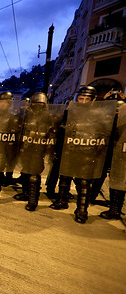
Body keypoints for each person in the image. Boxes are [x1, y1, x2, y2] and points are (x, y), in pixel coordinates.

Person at [50, 86, 117, 224]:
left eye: (87, 99)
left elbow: (104, 133)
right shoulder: (70, 112)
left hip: (87, 151)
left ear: (92, 100)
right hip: (70, 149)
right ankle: (61, 201)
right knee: (64, 177)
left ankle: (82, 210)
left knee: (84, 182)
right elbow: (62, 129)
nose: (84, 101)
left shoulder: (98, 114)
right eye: (81, 98)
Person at [99, 101, 125, 220]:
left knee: (120, 179)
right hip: (110, 148)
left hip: (121, 150)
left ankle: (116, 210)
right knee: (114, 178)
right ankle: (114, 209)